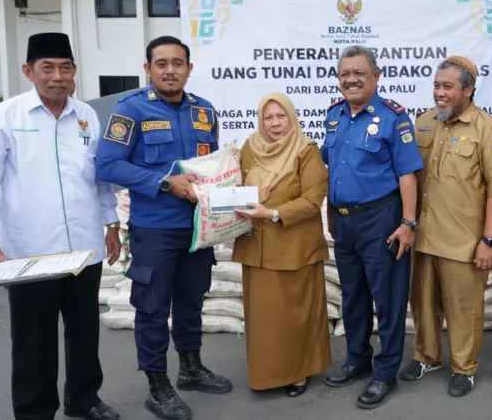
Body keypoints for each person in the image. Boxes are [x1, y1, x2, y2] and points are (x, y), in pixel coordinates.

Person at [96, 36, 231, 420]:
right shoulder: (130, 111)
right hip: (155, 229)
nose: (170, 70)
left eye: (178, 63)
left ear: (189, 68)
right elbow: (107, 166)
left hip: (197, 228)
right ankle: (157, 386)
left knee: (192, 300)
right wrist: (164, 182)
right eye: (161, 63)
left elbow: (213, 165)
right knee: (153, 308)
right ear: (148, 68)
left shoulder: (204, 111)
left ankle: (190, 368)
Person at [0, 32, 121, 420]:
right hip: (30, 251)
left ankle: (84, 399)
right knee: (34, 339)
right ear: (28, 71)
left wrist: (112, 223)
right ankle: (34, 411)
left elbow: (99, 178)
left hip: (84, 248)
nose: (57, 77)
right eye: (47, 68)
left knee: (84, 332)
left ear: (75, 73)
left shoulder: (86, 115)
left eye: (65, 68)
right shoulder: (5, 117)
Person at [398, 56, 492, 397]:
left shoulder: (488, 131)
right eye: (437, 85)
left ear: (469, 90)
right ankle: (427, 356)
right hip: (425, 237)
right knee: (422, 303)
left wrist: (489, 241)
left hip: (463, 241)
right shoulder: (424, 123)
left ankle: (464, 368)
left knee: (464, 310)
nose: (440, 93)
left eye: (448, 87)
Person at [320, 45, 424, 409]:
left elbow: (407, 174)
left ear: (376, 77)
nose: (350, 79)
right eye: (345, 73)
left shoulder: (394, 118)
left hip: (383, 220)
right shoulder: (333, 116)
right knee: (353, 296)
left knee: (389, 299)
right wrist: (331, 213)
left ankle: (385, 372)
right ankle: (357, 358)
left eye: (359, 73)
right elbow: (330, 168)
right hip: (345, 223)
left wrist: (408, 222)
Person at [231, 92, 332, 397]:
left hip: (293, 249)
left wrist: (273, 213)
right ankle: (266, 373)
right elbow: (240, 183)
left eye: (281, 116)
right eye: (268, 117)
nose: (274, 124)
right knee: (264, 318)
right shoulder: (250, 147)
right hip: (257, 247)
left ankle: (298, 373)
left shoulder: (306, 150)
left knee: (295, 316)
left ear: (292, 117)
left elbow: (313, 200)